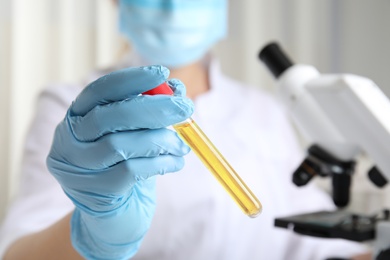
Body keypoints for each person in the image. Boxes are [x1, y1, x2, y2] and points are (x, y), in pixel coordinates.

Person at [0, 0, 371, 259]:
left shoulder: (266, 111)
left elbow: (313, 243)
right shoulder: (75, 112)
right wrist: (95, 233)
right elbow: (17, 253)